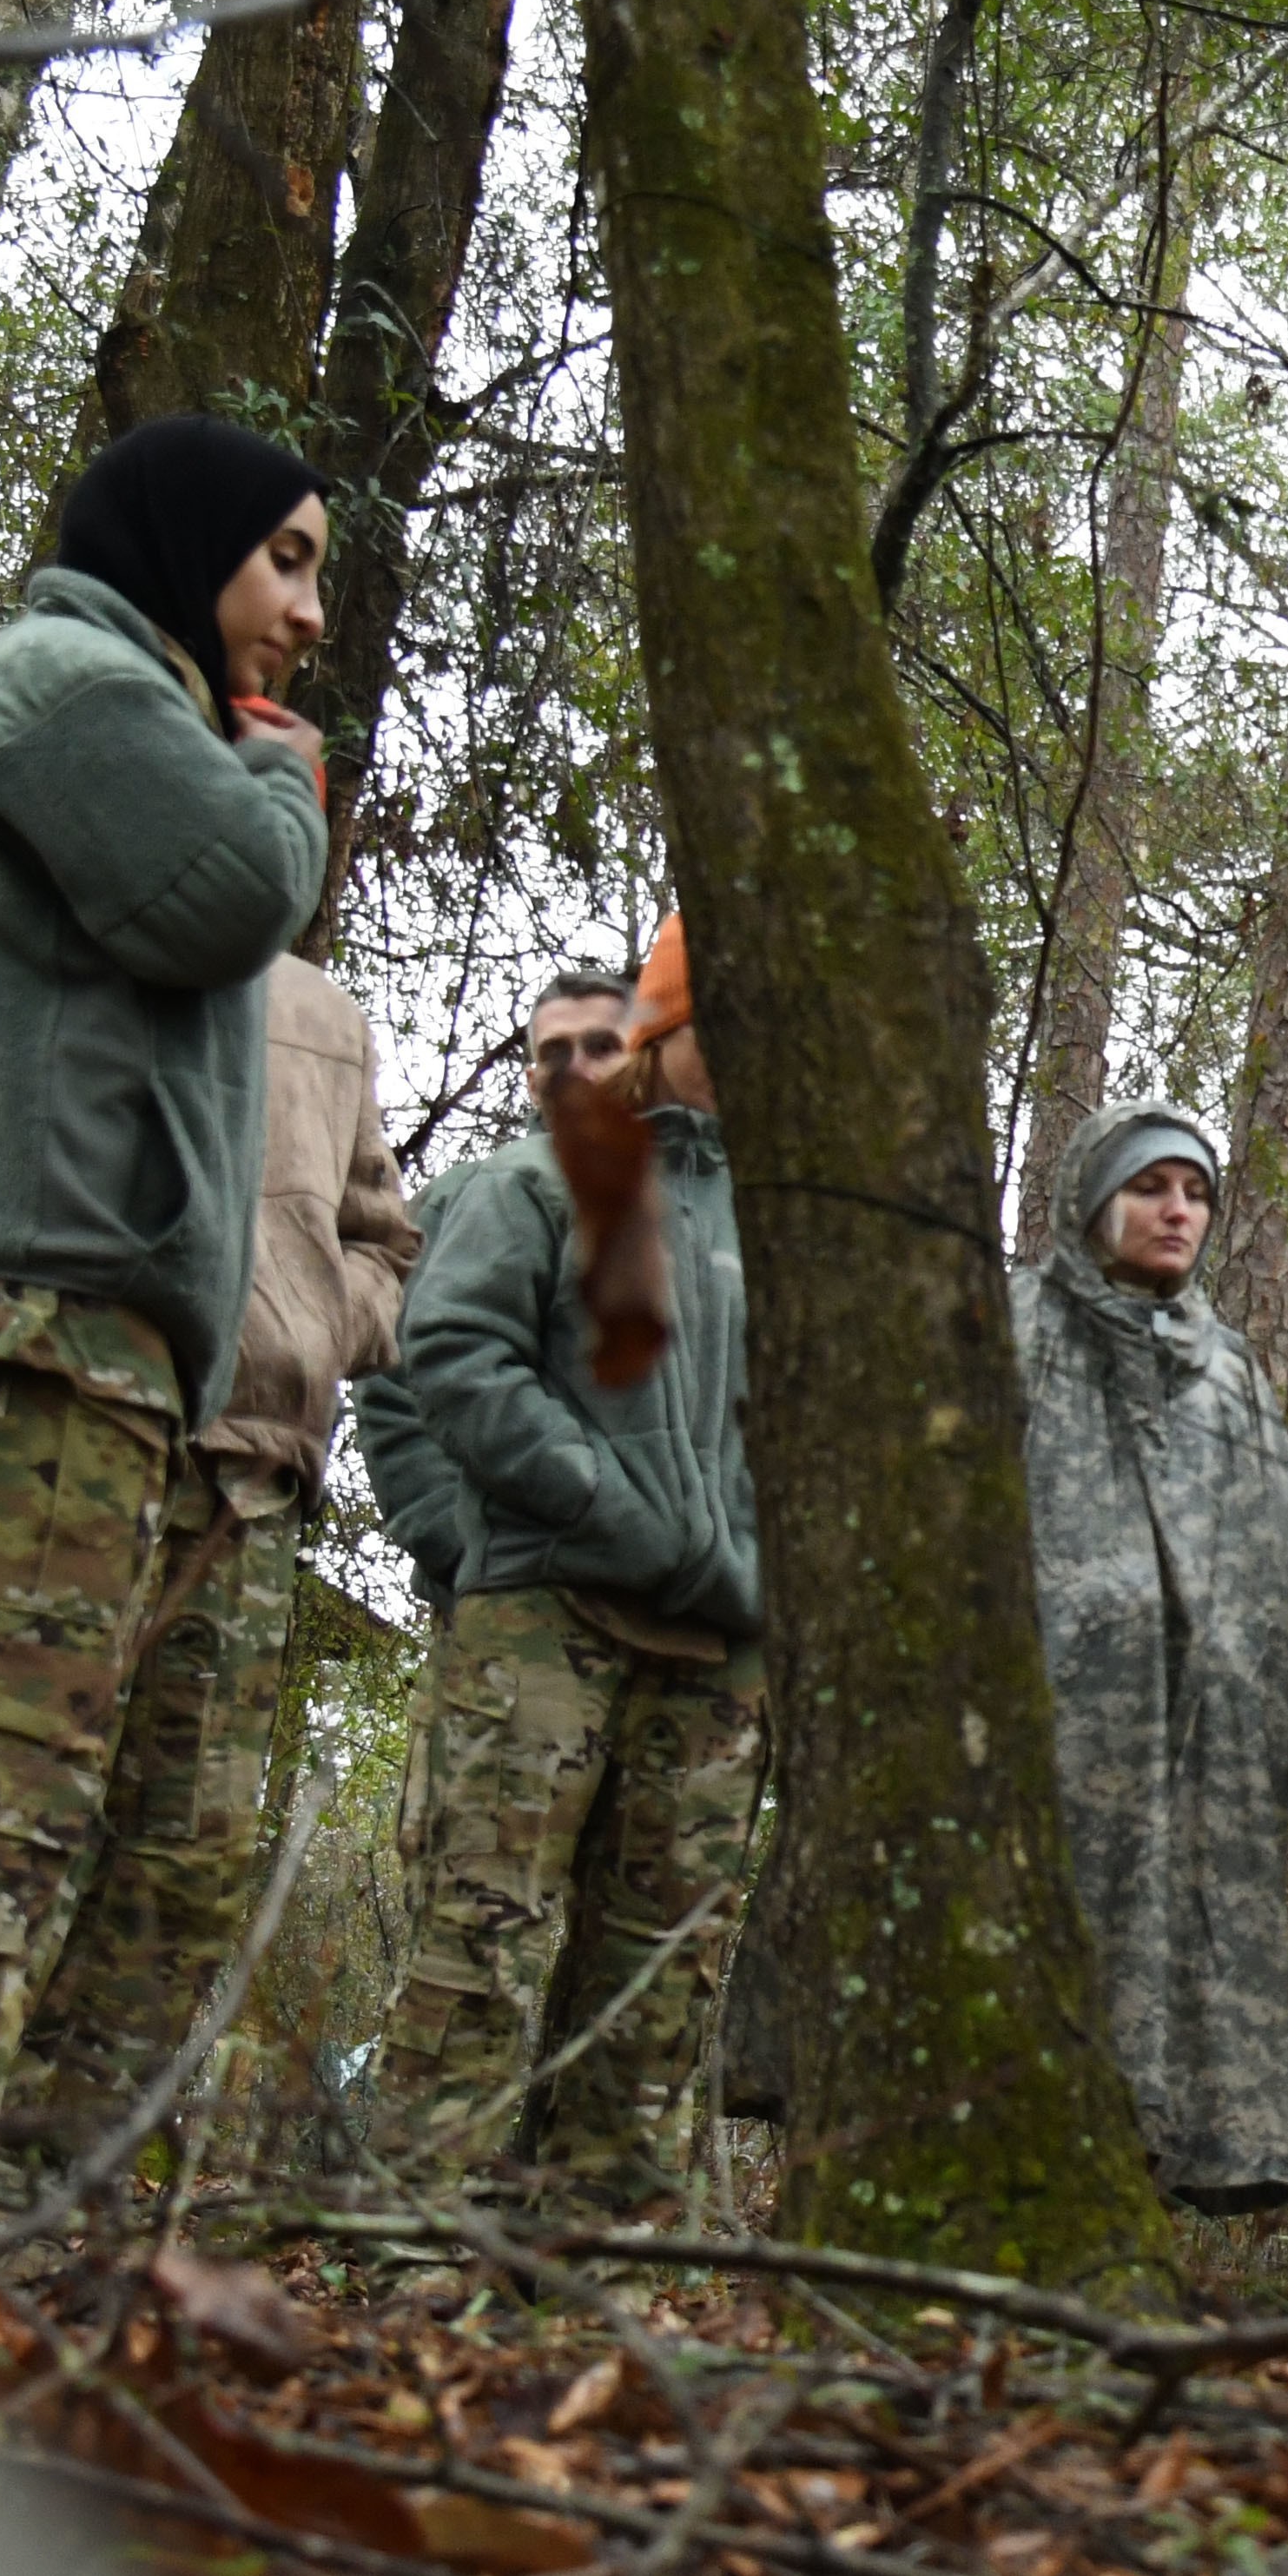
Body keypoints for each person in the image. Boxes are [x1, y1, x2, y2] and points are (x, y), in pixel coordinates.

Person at [0, 416, 339, 2121]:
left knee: (10, 1777)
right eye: (290, 560)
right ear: (187, 550)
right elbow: (236, 892)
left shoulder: (124, 703)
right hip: (26, 1307)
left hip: (80, 1318)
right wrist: (279, 771)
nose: (309, 616)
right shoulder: (71, 687)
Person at [361, 919, 759, 2198]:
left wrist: (761, 1567)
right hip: (544, 1614)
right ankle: (420, 2244)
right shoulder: (539, 1181)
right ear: (672, 1028)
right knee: (485, 1934)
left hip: (722, 1647)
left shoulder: (789, 1222)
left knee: (659, 1970)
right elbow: (449, 1360)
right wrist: (603, 1505)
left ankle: (607, 2265)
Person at [5, 924, 422, 2123]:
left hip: (249, 1469)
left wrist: (306, 1327)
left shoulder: (325, 1015)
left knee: (186, 1851)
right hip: (63, 1427)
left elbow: (384, 1241)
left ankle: (54, 2161)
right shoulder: (64, 929)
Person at [1010, 1101, 1288, 2214]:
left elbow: (1281, 1553)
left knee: (1168, 2010)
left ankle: (1115, 2238)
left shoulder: (1224, 1370)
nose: (1177, 1212)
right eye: (1151, 1188)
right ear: (1091, 1200)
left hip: (1192, 1755)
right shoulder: (1013, 1328)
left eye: (1196, 1194)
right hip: (1044, 1739)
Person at [354, 967, 631, 1619]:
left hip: (689, 1616)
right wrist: (466, 1550)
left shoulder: (702, 1211)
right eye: (555, 1054)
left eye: (601, 1047)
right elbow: (396, 1391)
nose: (578, 1070)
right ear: (533, 1082)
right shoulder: (461, 1201)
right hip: (512, 1611)